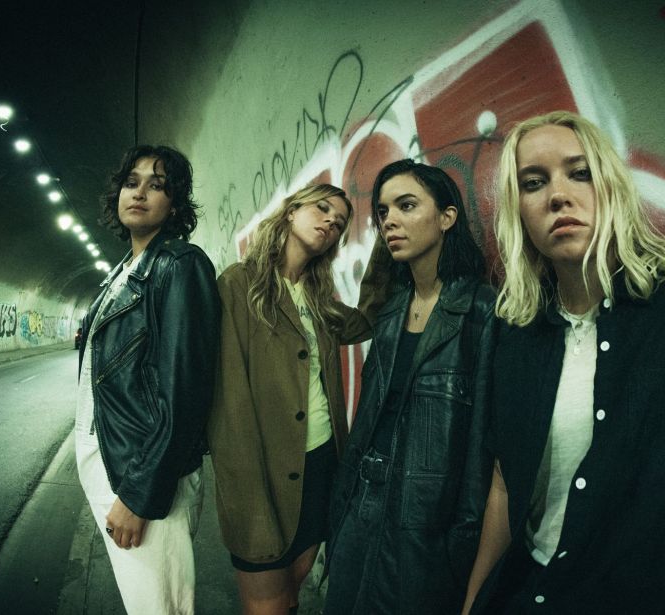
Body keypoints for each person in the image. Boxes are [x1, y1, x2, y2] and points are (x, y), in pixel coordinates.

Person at [462, 111, 665, 615]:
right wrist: (472, 603)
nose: (558, 195)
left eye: (579, 172)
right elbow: (505, 483)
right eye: (533, 182)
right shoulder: (518, 334)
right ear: (518, 210)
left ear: (610, 185)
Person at [325, 160, 497, 615]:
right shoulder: (392, 310)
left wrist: (461, 546)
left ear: (447, 217)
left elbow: (483, 449)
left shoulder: (482, 312)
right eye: (383, 212)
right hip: (362, 501)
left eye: (407, 205)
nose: (390, 221)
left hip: (424, 521)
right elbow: (367, 418)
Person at [208, 184, 386, 615]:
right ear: (290, 213)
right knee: (266, 606)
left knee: (291, 596)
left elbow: (366, 322)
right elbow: (228, 407)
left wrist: (386, 243)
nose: (330, 221)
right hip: (264, 474)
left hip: (322, 461)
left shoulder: (318, 297)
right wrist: (249, 498)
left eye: (340, 222)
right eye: (322, 208)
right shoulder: (238, 284)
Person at [75, 145, 220, 613]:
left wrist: (140, 496)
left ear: (175, 204)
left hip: (144, 473)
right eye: (131, 182)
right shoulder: (123, 273)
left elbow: (186, 391)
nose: (139, 192)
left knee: (160, 607)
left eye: (157, 185)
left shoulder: (179, 266)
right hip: (112, 459)